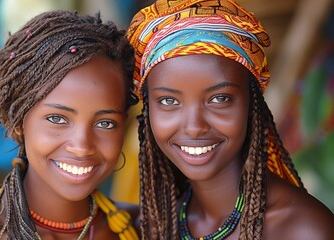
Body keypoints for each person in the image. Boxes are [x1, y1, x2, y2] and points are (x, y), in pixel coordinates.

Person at [0, 10, 139, 240]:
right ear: (18, 122)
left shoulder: (141, 228)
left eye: (105, 123)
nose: (82, 146)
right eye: (57, 119)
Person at [126, 0, 334, 239]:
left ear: (251, 104)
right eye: (169, 101)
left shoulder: (302, 229)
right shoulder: (151, 225)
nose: (194, 127)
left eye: (219, 99)